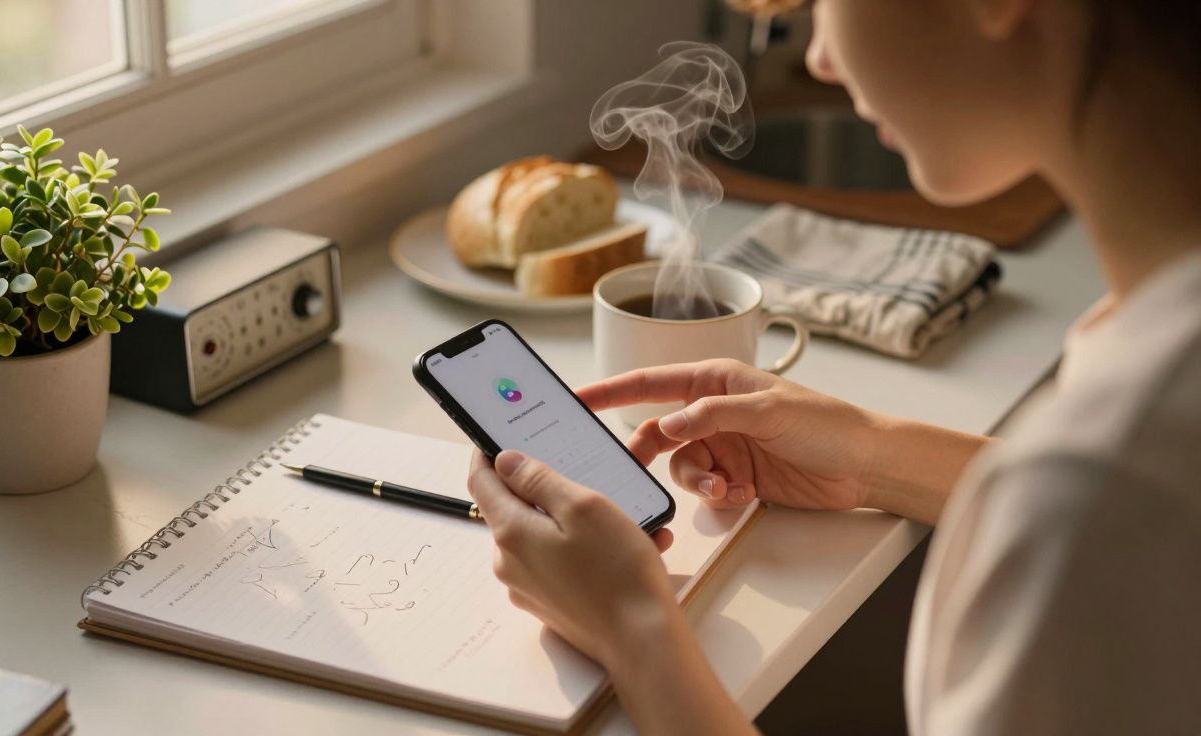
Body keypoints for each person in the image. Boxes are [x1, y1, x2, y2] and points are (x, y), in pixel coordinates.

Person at [466, 0, 1201, 733]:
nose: (818, 57)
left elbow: (1105, 505)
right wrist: (872, 459)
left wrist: (634, 632)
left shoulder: (1097, 493)